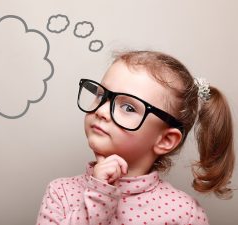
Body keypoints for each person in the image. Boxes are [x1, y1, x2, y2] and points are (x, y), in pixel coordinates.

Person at [36, 50, 235, 225]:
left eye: (129, 107)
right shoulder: (61, 192)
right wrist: (99, 195)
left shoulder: (185, 214)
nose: (102, 110)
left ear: (165, 140)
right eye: (101, 95)